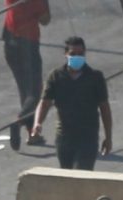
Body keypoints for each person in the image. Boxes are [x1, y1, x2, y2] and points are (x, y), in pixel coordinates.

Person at [31, 37, 113, 170]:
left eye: (80, 54)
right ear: (66, 54)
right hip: (64, 137)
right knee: (67, 177)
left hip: (88, 137)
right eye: (73, 54)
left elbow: (105, 108)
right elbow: (44, 103)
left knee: (82, 175)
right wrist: (37, 123)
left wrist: (108, 137)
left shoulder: (95, 77)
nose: (77, 57)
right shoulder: (56, 76)